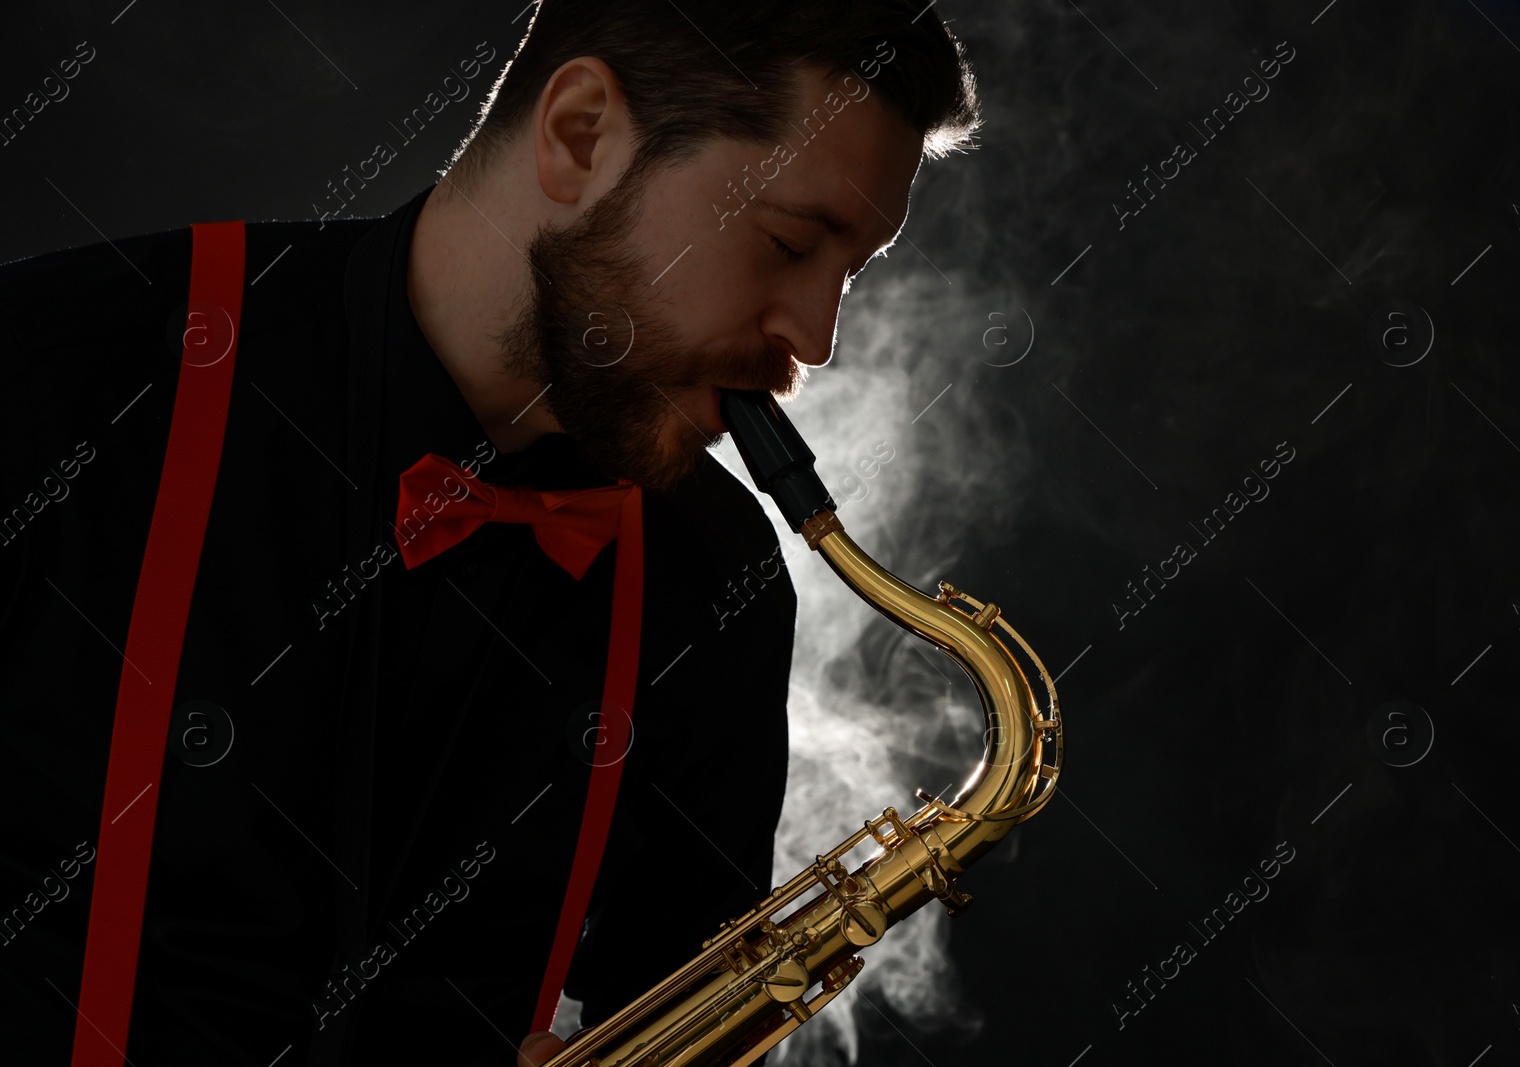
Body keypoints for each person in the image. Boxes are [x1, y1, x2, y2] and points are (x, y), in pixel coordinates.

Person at [0, 2, 981, 1064]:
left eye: (853, 271)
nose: (817, 335)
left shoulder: (718, 577)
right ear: (578, 133)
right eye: (790, 241)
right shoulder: (50, 375)